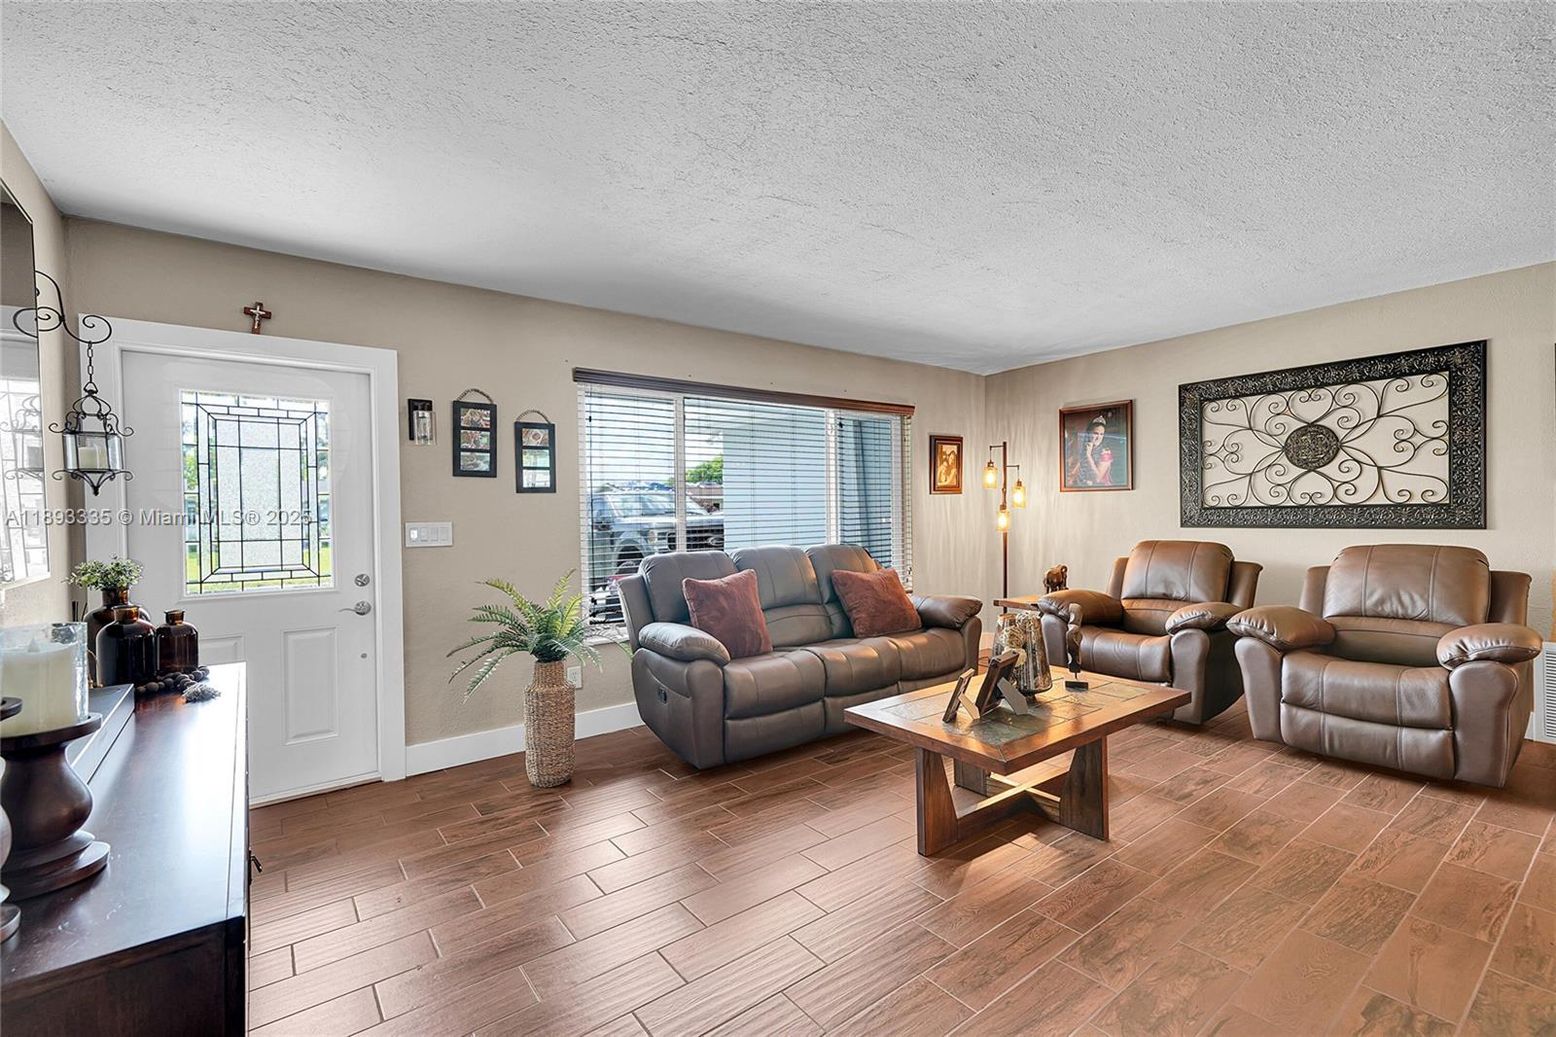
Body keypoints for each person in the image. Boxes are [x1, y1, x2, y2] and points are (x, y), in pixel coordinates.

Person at [1068, 415, 1115, 487]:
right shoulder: (1088, 448)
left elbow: (1097, 479)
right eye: (1095, 433)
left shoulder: (1105, 453)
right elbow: (1077, 469)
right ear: (1089, 433)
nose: (1098, 437)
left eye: (1101, 434)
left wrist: (1088, 456)